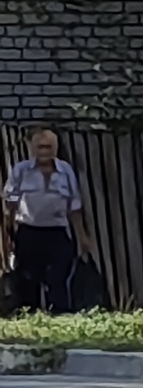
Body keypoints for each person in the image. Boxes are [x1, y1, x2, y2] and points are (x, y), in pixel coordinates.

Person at [4, 128, 92, 314]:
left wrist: (82, 237)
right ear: (32, 149)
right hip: (29, 232)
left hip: (58, 233)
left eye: (48, 147)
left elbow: (74, 206)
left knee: (58, 278)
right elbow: (10, 204)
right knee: (28, 280)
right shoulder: (21, 171)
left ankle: (59, 318)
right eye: (40, 147)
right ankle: (30, 317)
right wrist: (8, 235)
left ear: (55, 149)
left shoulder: (65, 171)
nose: (44, 152)